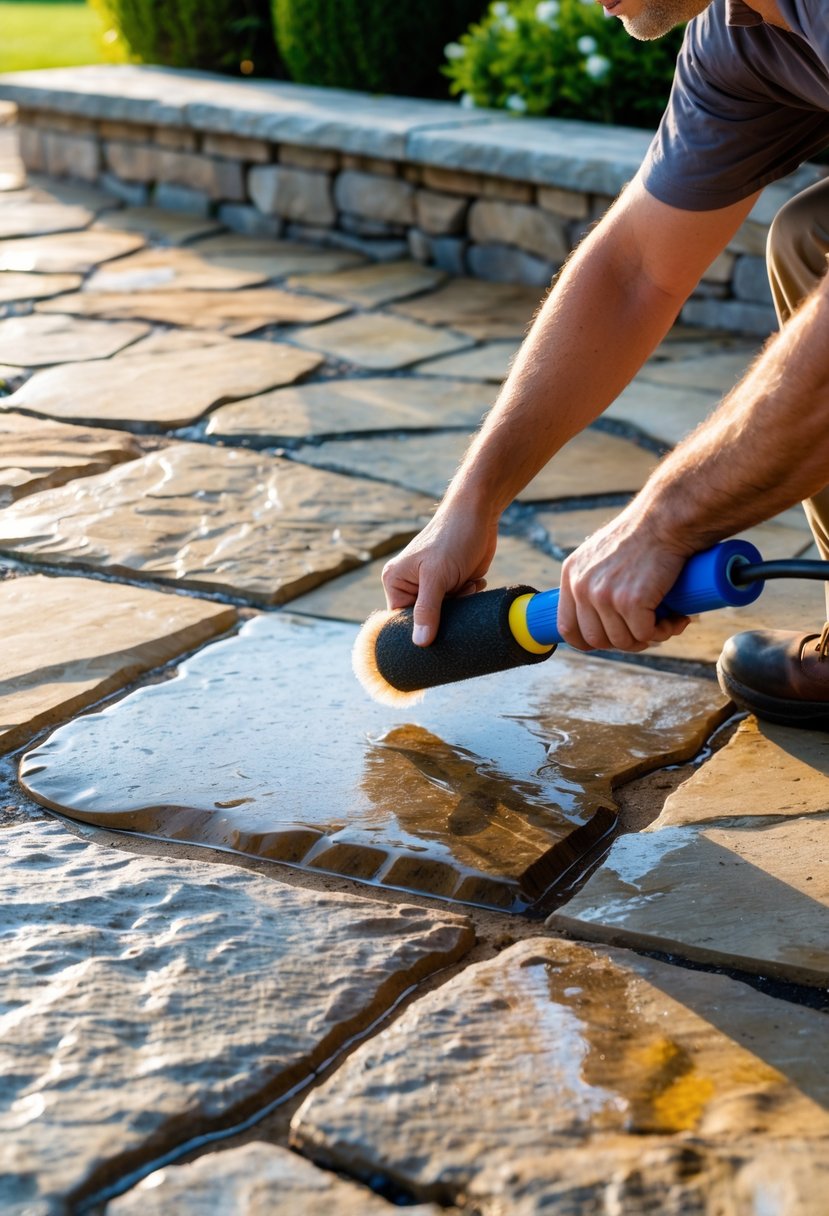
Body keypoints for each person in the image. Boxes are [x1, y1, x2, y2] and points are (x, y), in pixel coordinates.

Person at [382, 0, 829, 729]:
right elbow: (633, 271)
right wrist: (474, 500)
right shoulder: (740, 37)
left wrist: (664, 523)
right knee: (810, 238)